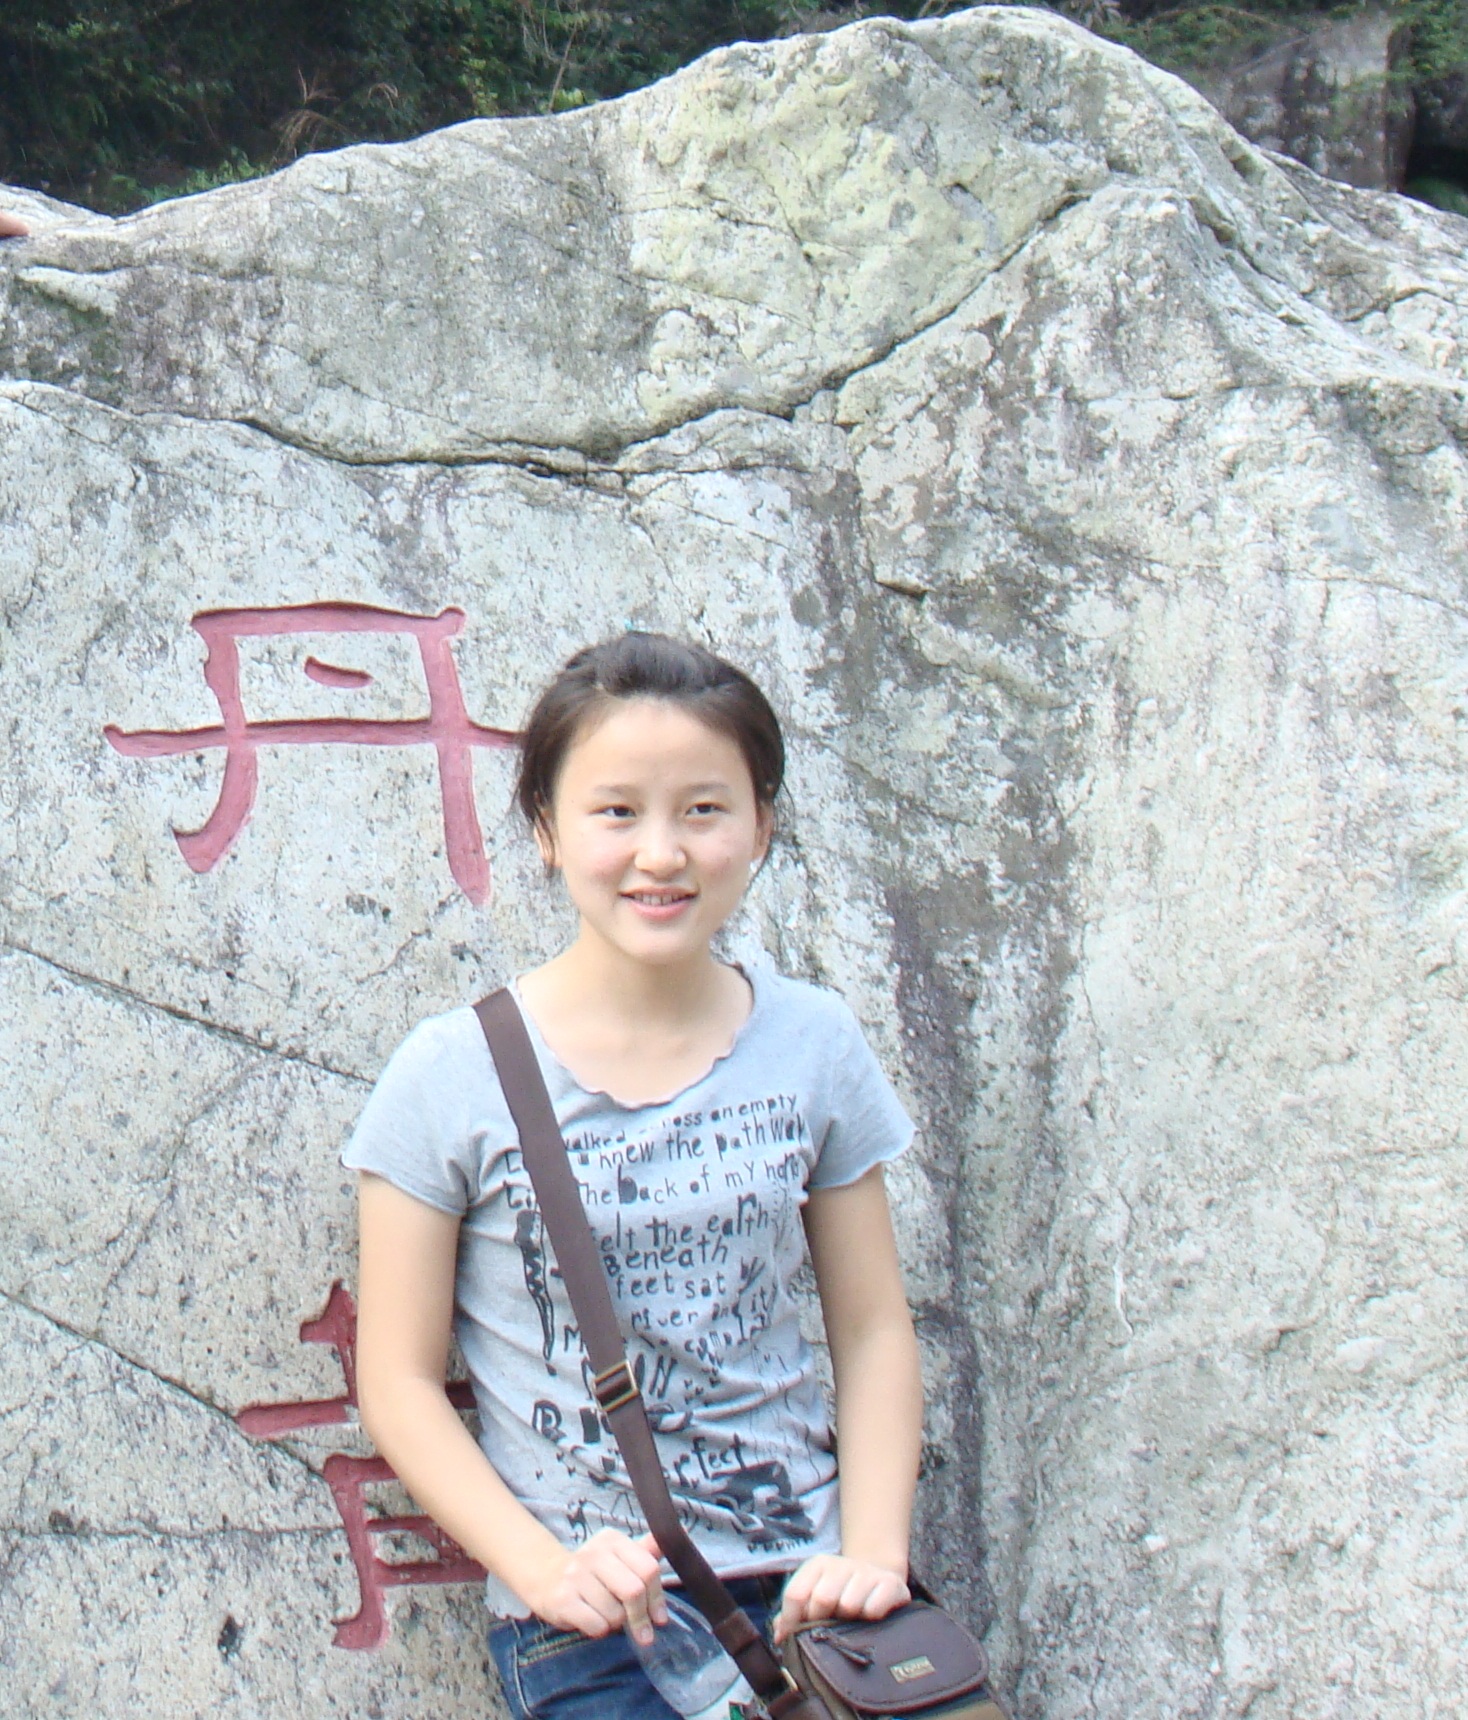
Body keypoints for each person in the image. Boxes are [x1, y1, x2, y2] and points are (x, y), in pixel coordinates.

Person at [346, 631, 923, 1719]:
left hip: (817, 1595)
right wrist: (540, 1567)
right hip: (605, 1624)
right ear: (547, 827)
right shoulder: (451, 1074)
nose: (661, 853)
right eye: (616, 812)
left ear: (760, 825)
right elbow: (399, 1379)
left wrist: (874, 1555)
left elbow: (873, 1328)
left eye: (704, 810)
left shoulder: (814, 1042)